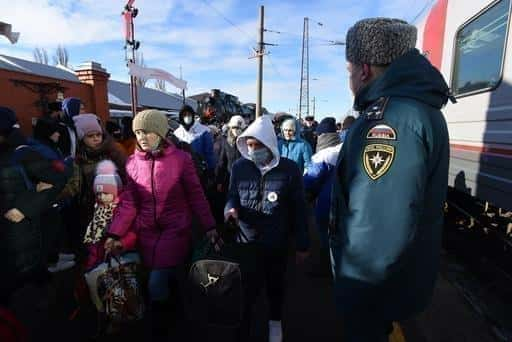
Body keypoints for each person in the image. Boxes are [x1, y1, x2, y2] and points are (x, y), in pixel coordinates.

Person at [329, 18, 450, 341]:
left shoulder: (389, 121)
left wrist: (352, 295)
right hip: (393, 288)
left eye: (349, 69)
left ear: (364, 69)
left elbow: (375, 226)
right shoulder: (416, 108)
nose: (350, 78)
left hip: (371, 296)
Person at [106, 110, 217, 339]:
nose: (142, 137)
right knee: (158, 279)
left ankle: (163, 326)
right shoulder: (132, 163)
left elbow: (196, 195)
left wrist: (210, 227)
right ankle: (171, 312)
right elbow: (129, 202)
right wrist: (115, 233)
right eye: (137, 132)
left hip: (175, 230)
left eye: (147, 131)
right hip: (145, 232)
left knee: (157, 282)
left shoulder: (181, 160)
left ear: (160, 132)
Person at [225, 116, 310, 342]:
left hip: (276, 241)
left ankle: (275, 322)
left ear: (269, 145)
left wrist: (302, 244)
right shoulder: (240, 167)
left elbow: (299, 209)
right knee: (246, 287)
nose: (253, 151)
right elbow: (232, 195)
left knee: (275, 284)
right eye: (249, 145)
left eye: (257, 146)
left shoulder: (289, 170)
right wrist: (230, 209)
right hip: (246, 240)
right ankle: (243, 327)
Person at [0, 107, 68, 304]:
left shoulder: (21, 154)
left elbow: (57, 179)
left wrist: (24, 208)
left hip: (20, 236)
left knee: (22, 295)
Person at [60, 114, 126, 249]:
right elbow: (74, 185)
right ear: (81, 138)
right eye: (90, 136)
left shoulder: (113, 153)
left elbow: (126, 176)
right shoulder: (79, 160)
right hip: (90, 207)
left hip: (117, 206)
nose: (96, 138)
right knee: (95, 244)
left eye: (98, 134)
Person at [303, 117, 341, 277]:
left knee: (325, 239)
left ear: (322, 136)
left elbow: (310, 181)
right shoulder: (348, 148)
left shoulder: (324, 155)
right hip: (348, 205)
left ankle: (327, 268)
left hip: (326, 205)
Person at [173, 105, 216, 173]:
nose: (187, 117)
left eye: (189, 114)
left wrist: (211, 168)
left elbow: (209, 153)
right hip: (182, 172)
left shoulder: (204, 131)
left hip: (200, 171)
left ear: (192, 115)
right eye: (184, 115)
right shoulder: (177, 133)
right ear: (181, 117)